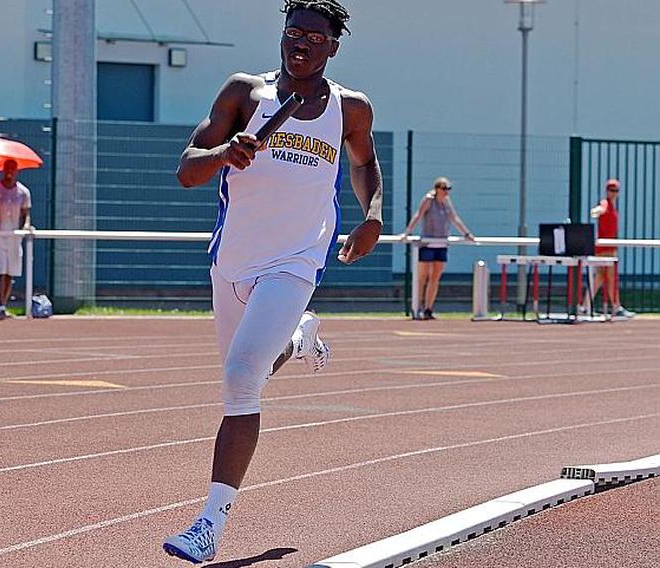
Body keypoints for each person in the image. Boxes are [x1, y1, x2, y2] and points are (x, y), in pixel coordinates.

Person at [162, 1, 383, 563]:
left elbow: (363, 164)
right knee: (246, 375)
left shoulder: (349, 108)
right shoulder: (245, 94)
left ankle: (209, 523)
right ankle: (299, 336)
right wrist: (225, 151)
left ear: (333, 47)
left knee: (240, 381)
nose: (300, 43)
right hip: (232, 262)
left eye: (313, 36)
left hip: (297, 259)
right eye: (292, 33)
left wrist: (373, 214)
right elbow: (187, 171)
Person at [399, 176, 474, 320]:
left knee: (435, 278)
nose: (447, 192)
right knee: (422, 277)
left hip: (441, 244)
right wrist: (407, 232)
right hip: (427, 244)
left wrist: (467, 233)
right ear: (437, 188)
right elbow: (418, 215)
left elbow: (455, 218)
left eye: (448, 189)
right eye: (444, 189)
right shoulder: (428, 200)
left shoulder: (446, 202)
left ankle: (428, 308)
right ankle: (417, 307)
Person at [0, 159, 32, 319]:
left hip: (14, 235)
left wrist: (26, 226)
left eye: (13, 169)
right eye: (7, 168)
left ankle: (3, 304)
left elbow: (26, 214)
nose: (9, 172)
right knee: (0, 268)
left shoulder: (23, 192)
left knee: (10, 271)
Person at [590, 178, 634, 318]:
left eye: (616, 190)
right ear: (607, 191)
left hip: (610, 247)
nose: (613, 193)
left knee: (603, 277)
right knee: (608, 276)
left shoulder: (613, 208)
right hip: (604, 249)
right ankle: (616, 306)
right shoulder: (605, 204)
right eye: (611, 190)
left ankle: (585, 305)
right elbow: (599, 210)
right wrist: (597, 211)